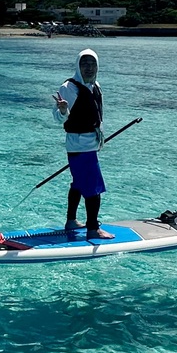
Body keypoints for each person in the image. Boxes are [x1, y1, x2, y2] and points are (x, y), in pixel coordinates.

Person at [51, 48, 114, 239]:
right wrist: (62, 110)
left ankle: (71, 221)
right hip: (79, 145)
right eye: (84, 63)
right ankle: (93, 229)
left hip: (90, 144)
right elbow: (58, 118)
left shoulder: (95, 86)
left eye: (92, 63)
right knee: (93, 188)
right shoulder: (69, 88)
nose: (89, 67)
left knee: (78, 184)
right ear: (78, 66)